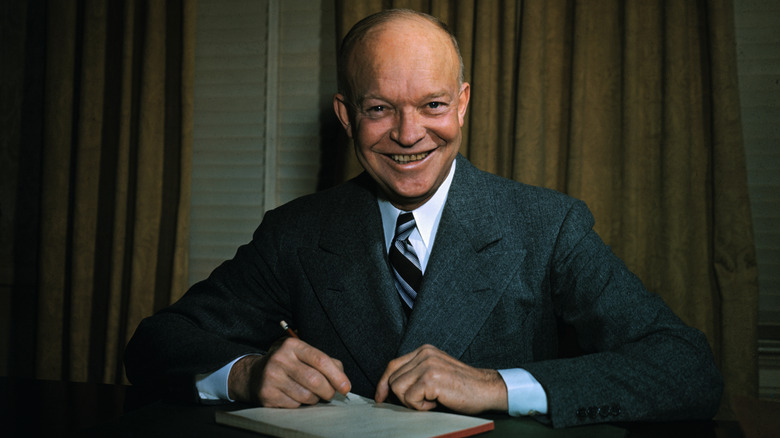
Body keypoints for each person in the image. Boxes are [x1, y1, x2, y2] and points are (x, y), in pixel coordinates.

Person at [124, 9, 722, 428]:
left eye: (432, 105)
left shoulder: (548, 225)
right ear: (346, 115)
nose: (409, 135)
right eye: (380, 109)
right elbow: (156, 345)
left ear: (462, 104)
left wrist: (497, 385)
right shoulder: (295, 233)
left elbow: (687, 368)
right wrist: (247, 373)